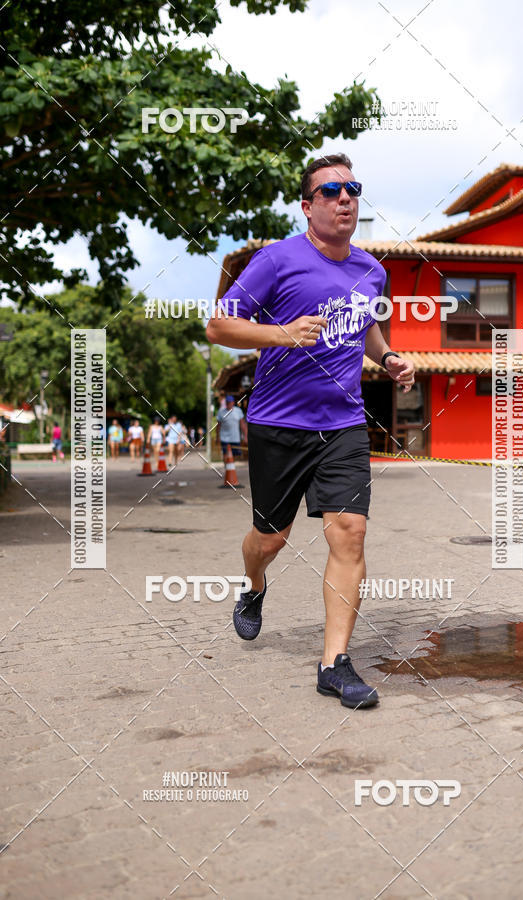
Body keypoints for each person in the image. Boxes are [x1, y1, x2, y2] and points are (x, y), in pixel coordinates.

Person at [206, 152, 415, 710]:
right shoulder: (276, 260)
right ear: (307, 205)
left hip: (343, 425)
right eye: (331, 191)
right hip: (277, 423)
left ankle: (334, 664)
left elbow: (368, 328)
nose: (345, 198)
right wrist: (282, 333)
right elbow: (219, 325)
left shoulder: (372, 271)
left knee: (350, 532)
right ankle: (254, 585)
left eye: (353, 189)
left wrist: (388, 357)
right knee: (270, 539)